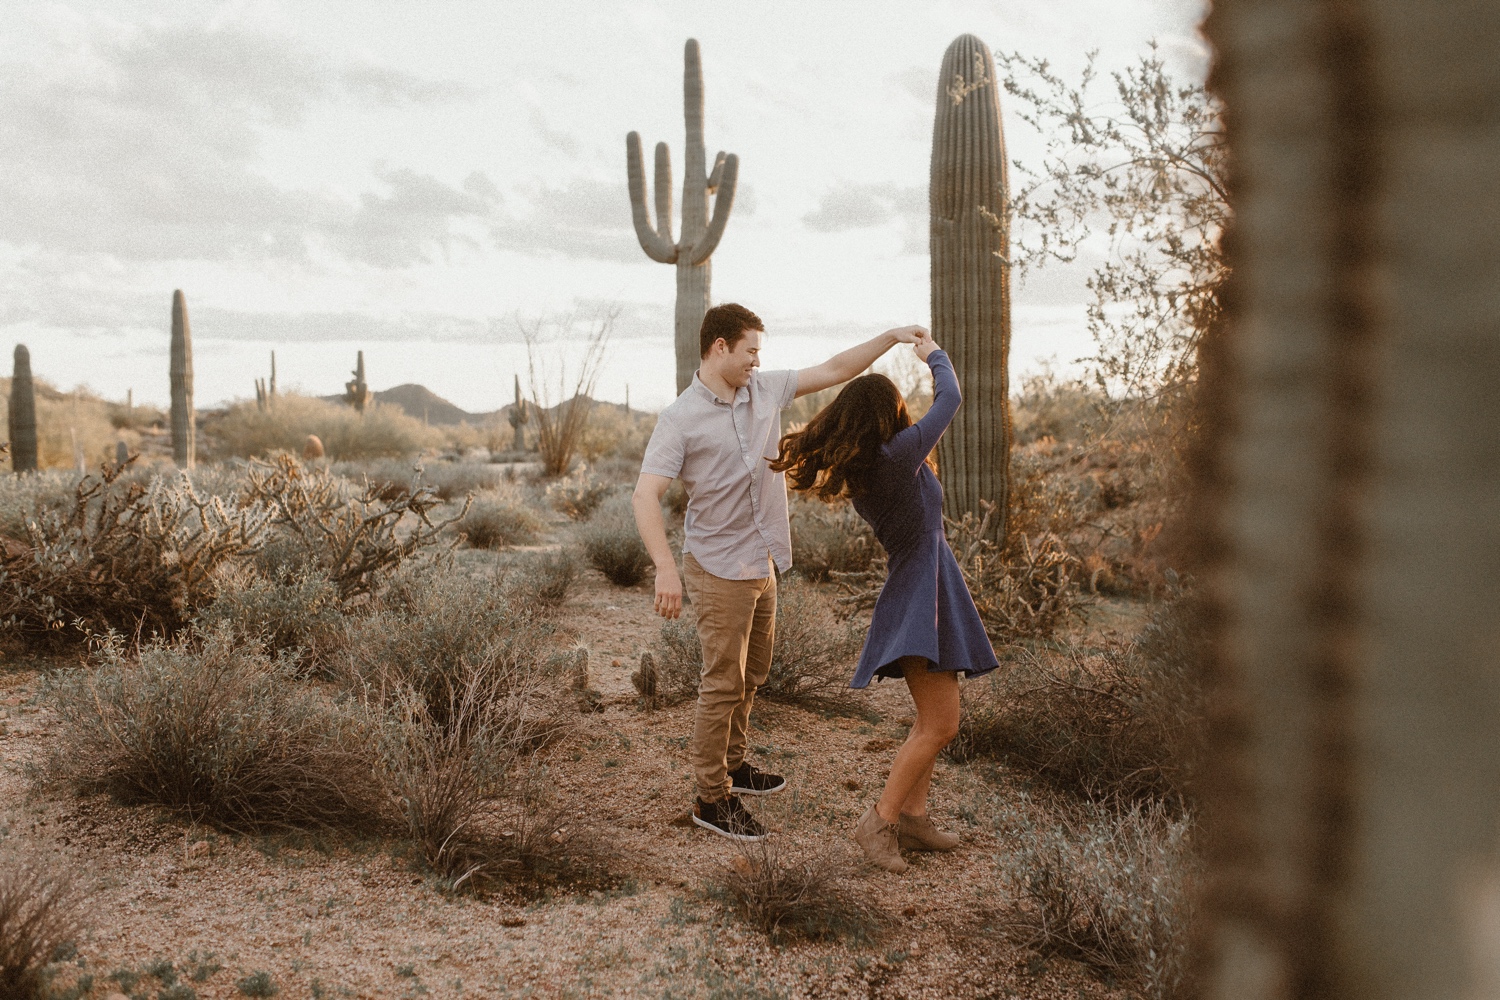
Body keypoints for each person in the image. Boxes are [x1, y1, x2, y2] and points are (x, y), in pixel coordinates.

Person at [633, 303, 926, 842]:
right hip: (717, 567)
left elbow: (836, 369)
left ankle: (736, 765)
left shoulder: (763, 391)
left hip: (761, 560)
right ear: (719, 347)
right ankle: (710, 798)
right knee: (721, 684)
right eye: (750, 351)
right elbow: (645, 495)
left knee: (752, 675)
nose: (756, 361)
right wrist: (665, 570)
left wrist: (889, 336)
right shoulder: (679, 419)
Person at [769, 330, 998, 872]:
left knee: (932, 720)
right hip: (922, 592)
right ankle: (880, 822)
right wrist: (934, 356)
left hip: (925, 588)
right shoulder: (895, 457)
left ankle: (914, 821)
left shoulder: (876, 464)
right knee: (940, 725)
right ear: (886, 416)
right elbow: (951, 400)